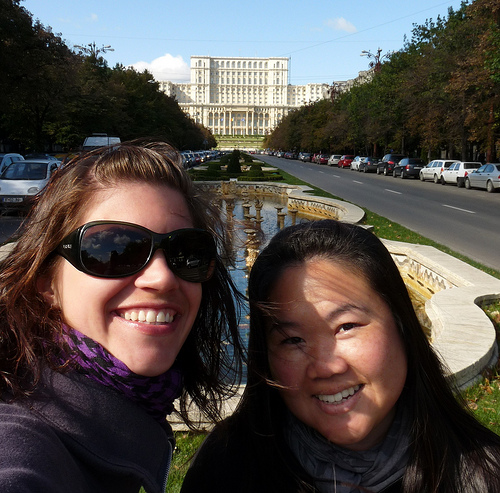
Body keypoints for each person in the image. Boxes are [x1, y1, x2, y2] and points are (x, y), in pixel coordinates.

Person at [181, 219, 500, 493]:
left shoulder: (485, 476)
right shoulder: (224, 470)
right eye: (292, 340)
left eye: (346, 327)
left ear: (402, 326)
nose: (326, 367)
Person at [0, 141, 245, 493]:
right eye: (113, 249)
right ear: (47, 282)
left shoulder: (125, 408)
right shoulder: (22, 448)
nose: (162, 279)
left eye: (185, 252)